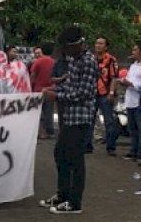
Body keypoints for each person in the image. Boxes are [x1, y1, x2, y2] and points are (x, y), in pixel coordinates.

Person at [39, 25, 98, 215]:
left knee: (75, 158)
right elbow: (70, 85)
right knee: (60, 154)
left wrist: (57, 96)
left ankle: (75, 202)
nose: (65, 52)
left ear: (77, 45)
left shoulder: (88, 61)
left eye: (67, 48)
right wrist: (54, 90)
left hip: (80, 116)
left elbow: (84, 92)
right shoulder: (73, 59)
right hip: (68, 115)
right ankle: (62, 194)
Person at [119, 41, 141, 163]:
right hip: (130, 100)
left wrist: (132, 84)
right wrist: (124, 82)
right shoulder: (134, 65)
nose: (133, 53)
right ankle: (133, 150)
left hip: (139, 100)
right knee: (132, 128)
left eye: (135, 50)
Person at [89, 36, 119, 155]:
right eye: (97, 43)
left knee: (109, 121)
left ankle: (111, 147)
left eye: (101, 43)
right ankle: (87, 145)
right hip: (92, 93)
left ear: (106, 46)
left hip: (105, 94)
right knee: (89, 120)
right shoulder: (91, 59)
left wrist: (111, 93)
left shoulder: (111, 60)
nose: (98, 45)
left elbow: (114, 77)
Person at [31, 43, 56, 139]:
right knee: (49, 112)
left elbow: (33, 75)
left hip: (38, 90)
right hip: (50, 90)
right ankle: (49, 132)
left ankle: (40, 133)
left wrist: (31, 86)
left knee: (38, 113)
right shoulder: (54, 62)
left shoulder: (37, 62)